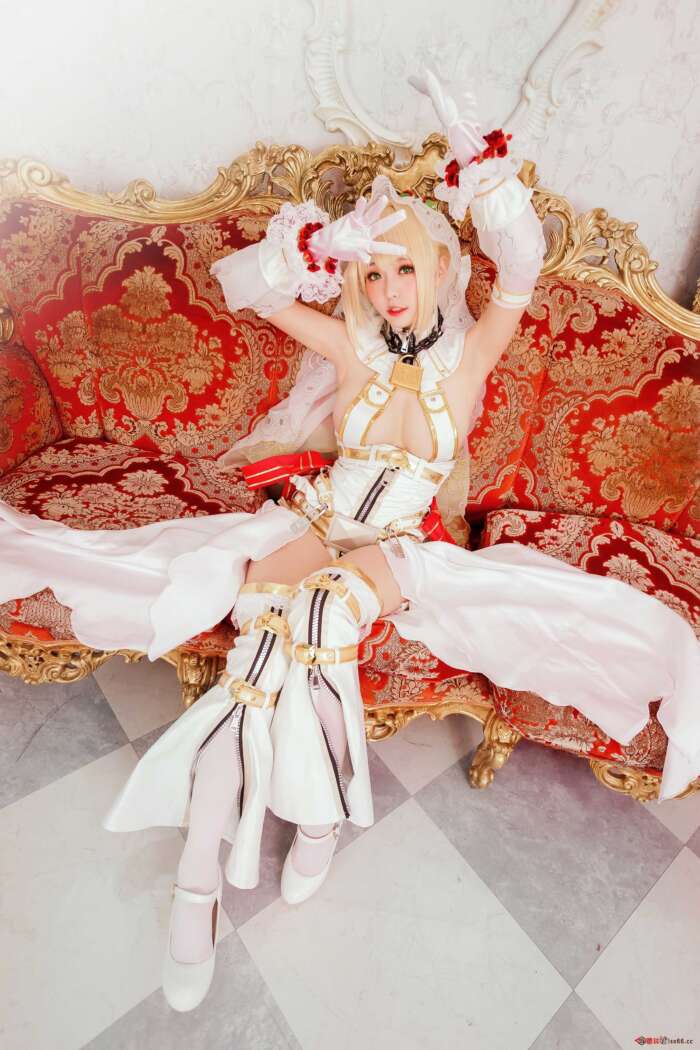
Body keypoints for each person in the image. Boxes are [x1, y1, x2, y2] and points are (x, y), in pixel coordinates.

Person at [1, 65, 698, 1013]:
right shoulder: (354, 346)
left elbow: (523, 265)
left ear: (441, 268)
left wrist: (484, 167)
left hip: (405, 543)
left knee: (323, 612)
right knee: (261, 636)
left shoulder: (473, 355)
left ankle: (304, 828)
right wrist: (315, 247)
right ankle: (201, 880)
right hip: (318, 513)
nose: (389, 287)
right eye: (374, 271)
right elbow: (243, 289)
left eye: (404, 267)